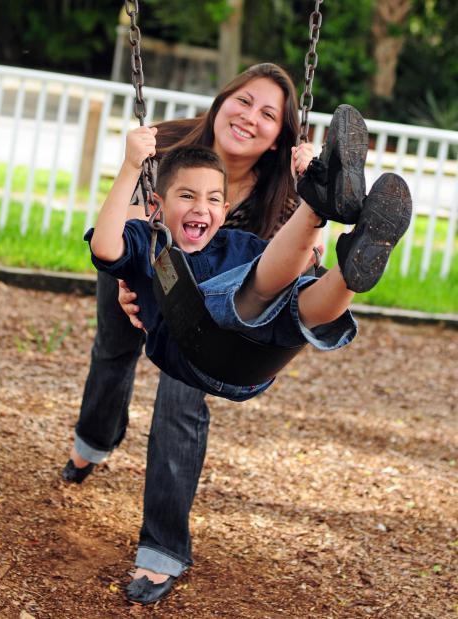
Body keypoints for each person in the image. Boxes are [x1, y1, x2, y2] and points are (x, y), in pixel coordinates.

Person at [62, 64, 363, 604]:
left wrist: (311, 196)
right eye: (243, 101)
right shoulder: (172, 140)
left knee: (181, 396)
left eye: (269, 114)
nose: (250, 118)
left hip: (206, 311)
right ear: (221, 100)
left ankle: (162, 551)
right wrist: (134, 283)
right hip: (140, 268)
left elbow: (281, 271)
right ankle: (94, 442)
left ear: (280, 137)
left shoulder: (280, 189)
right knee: (112, 353)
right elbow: (126, 225)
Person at [87, 114, 411, 404]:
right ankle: (315, 202)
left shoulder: (236, 245)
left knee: (300, 304)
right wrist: (131, 167)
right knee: (251, 288)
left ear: (224, 211)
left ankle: (350, 262)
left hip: (255, 363)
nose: (201, 207)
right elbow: (104, 246)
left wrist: (310, 249)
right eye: (187, 196)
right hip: (195, 353)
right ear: (156, 205)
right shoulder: (148, 240)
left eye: (213, 199)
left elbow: (292, 266)